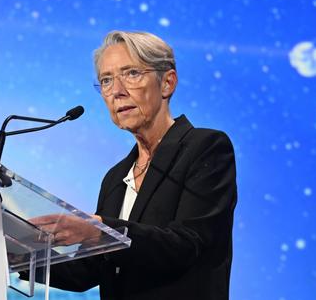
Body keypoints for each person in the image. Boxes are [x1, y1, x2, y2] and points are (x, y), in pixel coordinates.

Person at [29, 30, 237, 299]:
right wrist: (23, 253)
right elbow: (87, 270)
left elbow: (187, 244)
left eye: (131, 74)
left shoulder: (205, 148)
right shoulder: (116, 177)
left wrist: (101, 230)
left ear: (167, 83)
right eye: (106, 80)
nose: (117, 91)